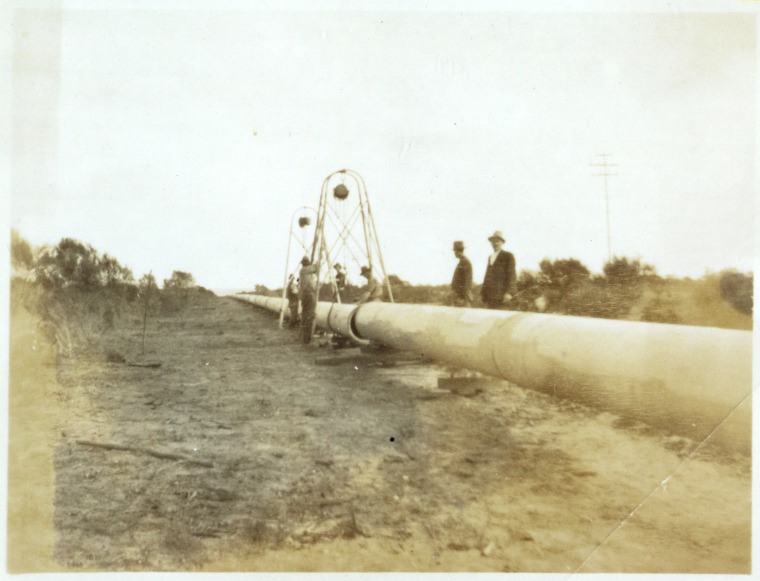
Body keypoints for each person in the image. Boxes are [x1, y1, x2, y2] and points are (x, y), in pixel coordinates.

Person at [480, 230, 517, 309]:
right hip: (490, 297)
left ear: (502, 242)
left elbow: (512, 275)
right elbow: (487, 275)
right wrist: (483, 293)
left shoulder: (508, 256)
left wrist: (508, 292)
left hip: (502, 297)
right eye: (493, 241)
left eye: (497, 241)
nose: (495, 243)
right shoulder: (490, 257)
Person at [298, 256, 318, 343]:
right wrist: (320, 259)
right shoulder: (306, 269)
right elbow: (316, 268)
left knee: (305, 315)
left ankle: (303, 337)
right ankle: (307, 339)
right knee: (310, 315)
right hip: (310, 294)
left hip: (304, 295)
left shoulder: (302, 270)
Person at [450, 240, 473, 307]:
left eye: (455, 251)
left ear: (457, 251)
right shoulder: (462, 262)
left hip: (462, 298)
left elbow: (468, 282)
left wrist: (463, 298)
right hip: (459, 297)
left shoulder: (465, 262)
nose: (454, 253)